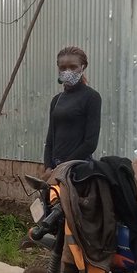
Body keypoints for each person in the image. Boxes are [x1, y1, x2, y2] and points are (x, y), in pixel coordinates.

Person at [43, 46, 101, 178]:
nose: (67, 72)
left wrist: (64, 167)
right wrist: (48, 167)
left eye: (73, 67)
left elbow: (90, 143)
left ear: (83, 67)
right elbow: (50, 139)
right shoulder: (56, 100)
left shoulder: (92, 97)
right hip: (55, 169)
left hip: (79, 169)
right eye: (63, 68)